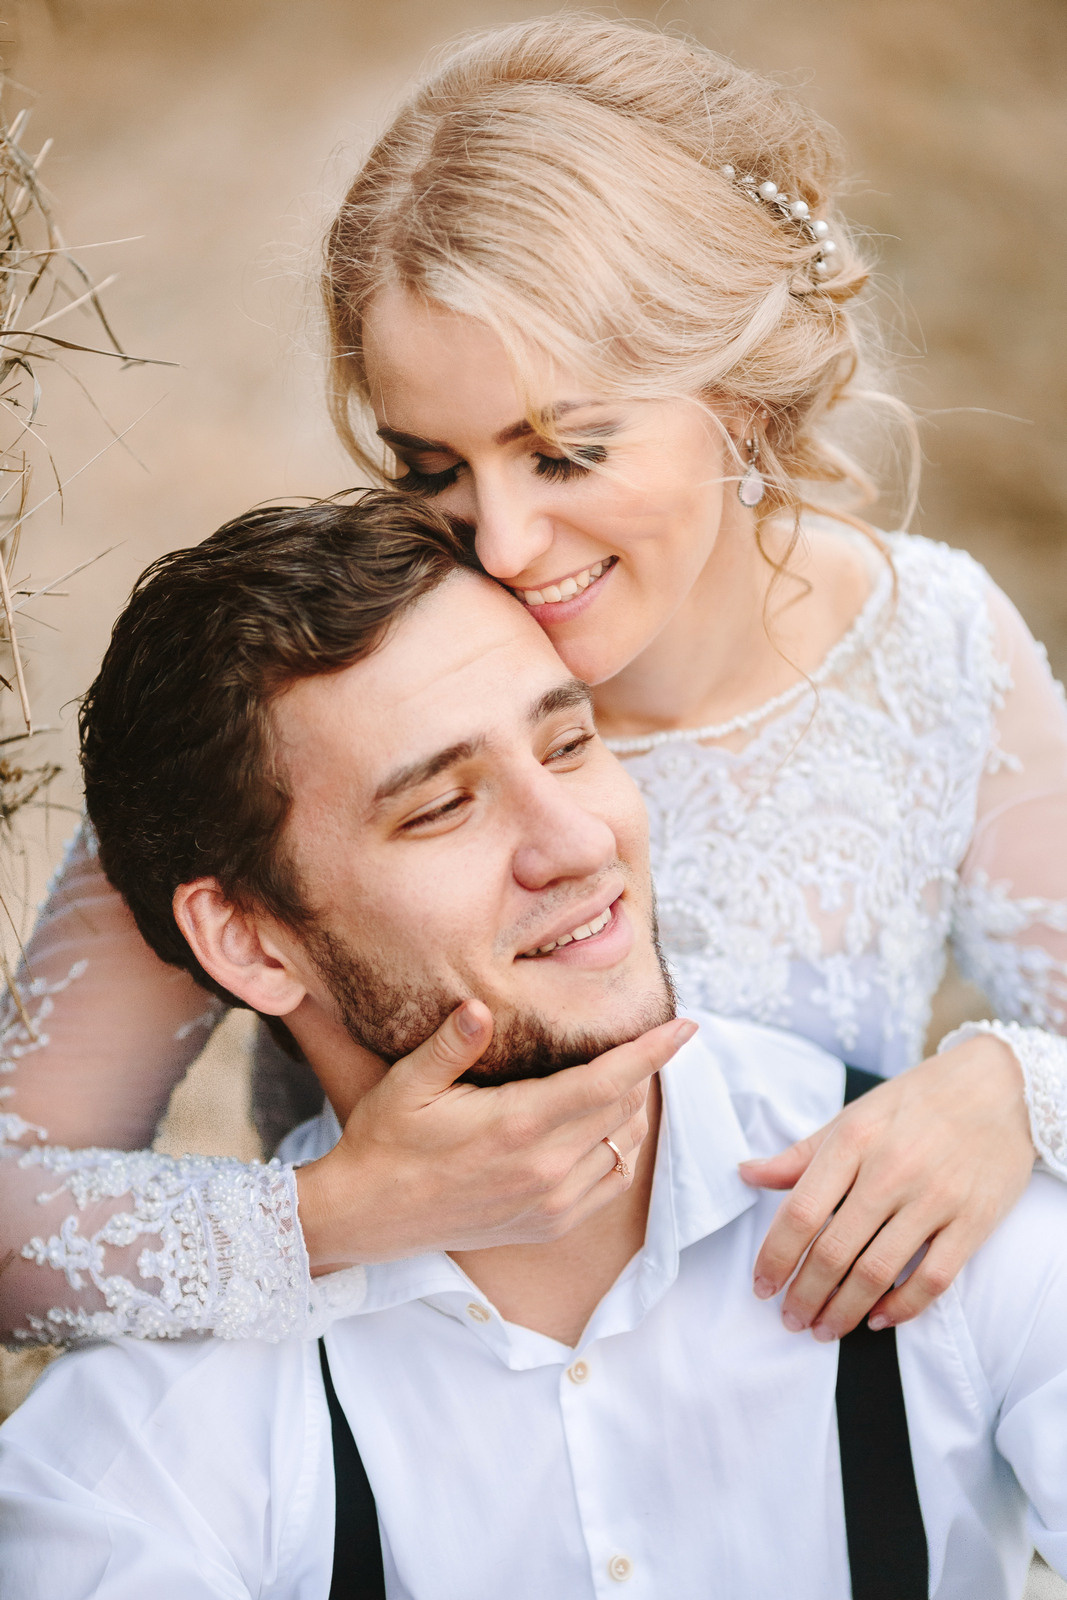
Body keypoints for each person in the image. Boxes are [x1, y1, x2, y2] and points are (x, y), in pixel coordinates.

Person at [4, 14, 1067, 1348]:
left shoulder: (931, 649)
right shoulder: (297, 700)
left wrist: (1006, 1086)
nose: (498, 545)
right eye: (432, 467)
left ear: (739, 391)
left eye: (562, 453)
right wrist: (337, 1211)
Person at [3, 494, 1067, 1600]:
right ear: (251, 942)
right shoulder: (142, 1445)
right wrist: (321, 1219)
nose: (577, 841)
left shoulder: (952, 1218)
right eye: (440, 808)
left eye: (569, 741)